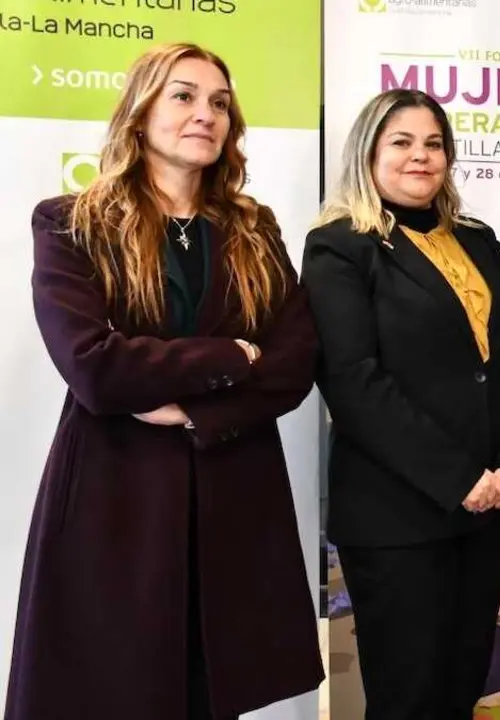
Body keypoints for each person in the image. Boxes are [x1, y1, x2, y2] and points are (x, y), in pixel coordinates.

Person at [6, 43, 323, 720]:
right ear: (140, 111)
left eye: (218, 102)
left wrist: (192, 411)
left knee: (212, 693)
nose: (204, 113)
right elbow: (94, 366)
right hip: (114, 502)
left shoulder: (253, 228)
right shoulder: (70, 222)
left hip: (232, 497)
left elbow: (295, 361)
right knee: (112, 693)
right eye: (183, 95)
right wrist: (234, 357)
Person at [301, 88, 500, 720]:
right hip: (397, 517)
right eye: (402, 142)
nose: (421, 157)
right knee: (408, 696)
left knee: (462, 684)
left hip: (487, 508)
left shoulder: (475, 237)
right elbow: (355, 383)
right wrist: (459, 477)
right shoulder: (340, 247)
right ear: (368, 153)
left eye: (433, 144)